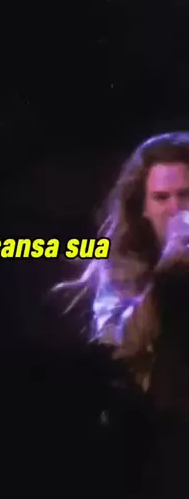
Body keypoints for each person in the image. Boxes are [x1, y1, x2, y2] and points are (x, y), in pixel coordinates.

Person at [55, 132, 189, 399]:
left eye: (186, 194)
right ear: (143, 207)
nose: (176, 209)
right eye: (161, 198)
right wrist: (165, 278)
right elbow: (118, 347)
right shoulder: (119, 264)